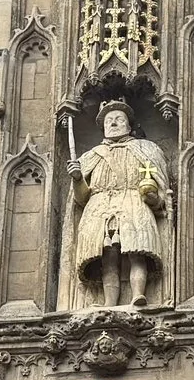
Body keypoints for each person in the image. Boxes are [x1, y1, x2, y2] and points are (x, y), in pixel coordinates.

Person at [70, 99, 170, 308]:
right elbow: (81, 199)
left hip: (133, 204)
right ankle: (109, 303)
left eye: (119, 119)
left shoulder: (146, 149)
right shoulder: (91, 157)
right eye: (109, 121)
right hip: (99, 209)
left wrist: (152, 195)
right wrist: (78, 178)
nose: (113, 123)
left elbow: (160, 188)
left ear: (129, 125)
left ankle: (137, 295)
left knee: (137, 252)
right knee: (108, 259)